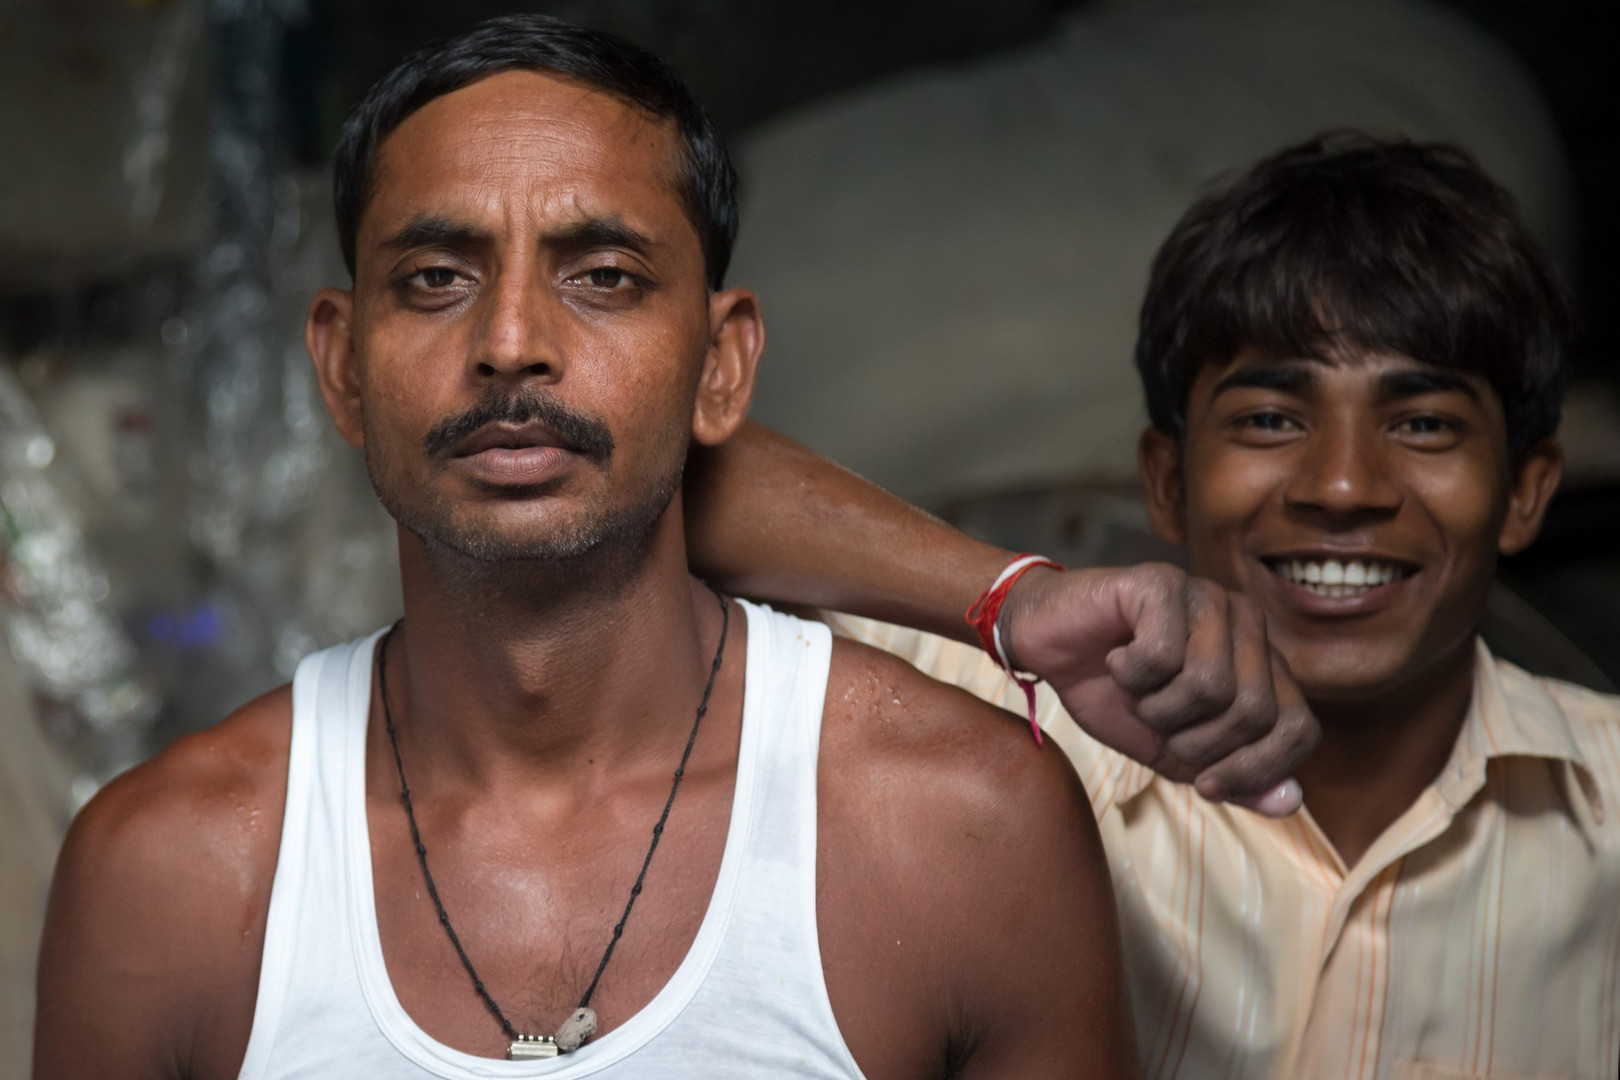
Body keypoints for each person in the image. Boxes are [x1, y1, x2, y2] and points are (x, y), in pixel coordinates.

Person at [30, 15, 1327, 1079]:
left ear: (723, 364)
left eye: (602, 275)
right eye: (436, 278)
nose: (512, 341)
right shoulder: (174, 875)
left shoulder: (955, 829)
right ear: (341, 365)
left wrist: (1009, 600)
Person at [684, 134, 1620, 1079]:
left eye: (1423, 424)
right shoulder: (987, 710)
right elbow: (640, 480)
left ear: (1527, 491)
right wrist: (1010, 598)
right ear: (1167, 482)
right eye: (1269, 419)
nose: (1342, 486)